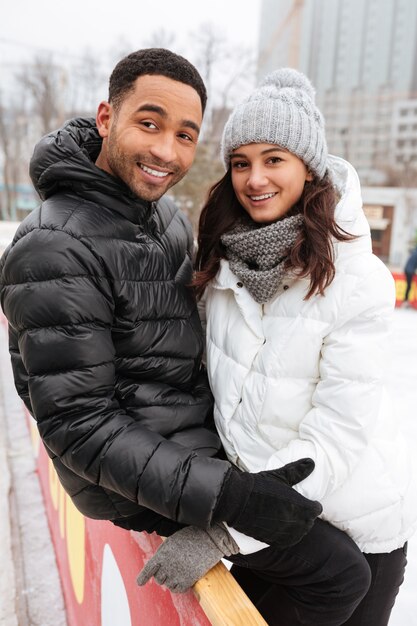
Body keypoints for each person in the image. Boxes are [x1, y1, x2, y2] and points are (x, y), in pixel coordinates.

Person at [0, 50, 322, 562]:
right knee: (336, 570)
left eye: (185, 135)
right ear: (107, 118)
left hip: (190, 443)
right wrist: (228, 497)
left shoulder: (164, 215)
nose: (166, 151)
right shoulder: (52, 246)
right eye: (149, 124)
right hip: (126, 481)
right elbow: (77, 424)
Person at [137, 69, 417, 626]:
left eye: (274, 159)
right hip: (267, 531)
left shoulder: (354, 280)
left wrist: (224, 530)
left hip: (353, 535)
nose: (254, 179)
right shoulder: (220, 267)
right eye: (240, 162)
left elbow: (335, 437)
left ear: (308, 168)